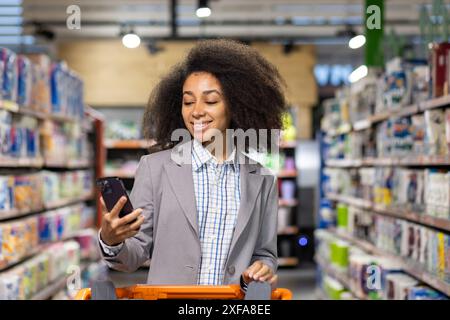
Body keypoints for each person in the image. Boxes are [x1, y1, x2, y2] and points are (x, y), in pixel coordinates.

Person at [98, 39, 287, 290]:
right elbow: (133, 254)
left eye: (210, 101)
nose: (196, 111)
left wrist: (261, 270)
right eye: (188, 101)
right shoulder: (156, 169)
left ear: (236, 105)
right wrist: (112, 240)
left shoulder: (262, 179)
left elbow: (265, 254)